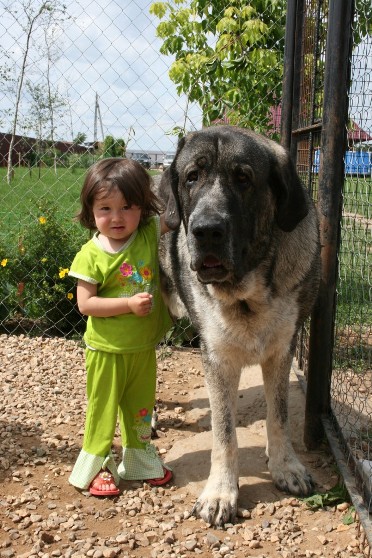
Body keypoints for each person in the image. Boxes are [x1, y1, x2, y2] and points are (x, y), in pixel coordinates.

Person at [68, 157, 173, 496]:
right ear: (91, 210)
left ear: (143, 207)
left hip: (142, 348)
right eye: (105, 208)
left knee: (140, 408)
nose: (116, 217)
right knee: (102, 410)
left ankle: (139, 461)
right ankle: (97, 466)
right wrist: (127, 305)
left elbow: (176, 216)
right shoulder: (91, 255)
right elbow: (86, 305)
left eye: (127, 206)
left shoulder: (146, 235)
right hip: (107, 351)